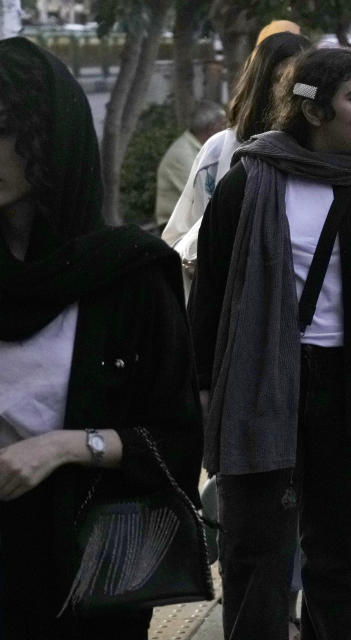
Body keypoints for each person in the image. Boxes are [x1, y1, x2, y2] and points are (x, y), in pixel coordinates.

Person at [189, 48, 351, 640]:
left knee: (342, 551)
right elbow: (211, 299)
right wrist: (203, 394)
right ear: (314, 110)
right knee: (254, 550)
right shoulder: (247, 182)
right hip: (259, 387)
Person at [0, 37, 203, 639]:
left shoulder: (127, 277)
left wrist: (63, 447)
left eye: (2, 129)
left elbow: (177, 439)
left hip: (85, 567)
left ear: (48, 142)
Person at [161, 31, 310, 296]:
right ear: (261, 85)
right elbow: (180, 240)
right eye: (279, 80)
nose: (289, 93)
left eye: (299, 83)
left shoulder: (330, 157)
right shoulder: (221, 150)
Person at [155, 100, 226, 226]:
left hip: (195, 222)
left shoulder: (206, 148)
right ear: (211, 128)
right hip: (177, 227)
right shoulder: (181, 153)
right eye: (222, 125)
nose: (226, 130)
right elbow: (202, 195)